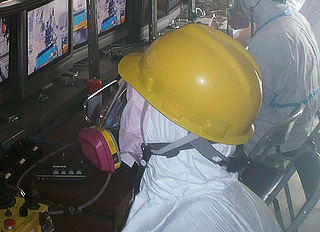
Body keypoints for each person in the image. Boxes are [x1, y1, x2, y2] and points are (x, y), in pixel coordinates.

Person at [119, 23, 281, 232]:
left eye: (141, 101)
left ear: (172, 126)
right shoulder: (239, 200)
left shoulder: (179, 224)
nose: (129, 110)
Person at [230, 0, 320, 153]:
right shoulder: (296, 18)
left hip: (273, 137)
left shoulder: (269, 40)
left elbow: (252, 107)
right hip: (302, 127)